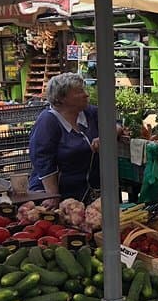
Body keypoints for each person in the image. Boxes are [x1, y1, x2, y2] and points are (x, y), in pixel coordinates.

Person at [28, 73, 102, 204]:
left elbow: (116, 125)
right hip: (54, 195)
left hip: (84, 193)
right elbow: (43, 160)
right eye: (79, 91)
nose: (86, 94)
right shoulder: (48, 121)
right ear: (61, 98)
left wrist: (105, 137)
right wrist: (53, 196)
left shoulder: (90, 113)